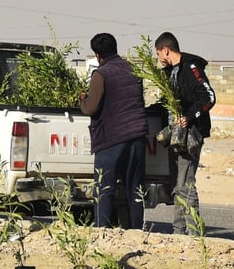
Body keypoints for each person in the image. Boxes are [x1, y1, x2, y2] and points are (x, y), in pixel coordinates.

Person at [78, 33, 148, 229]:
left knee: (104, 189)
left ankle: (102, 232)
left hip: (112, 139)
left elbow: (91, 108)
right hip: (137, 136)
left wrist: (82, 99)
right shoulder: (133, 69)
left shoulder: (101, 74)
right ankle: (136, 231)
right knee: (135, 189)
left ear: (98, 55)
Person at [154, 31, 215, 235]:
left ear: (166, 50)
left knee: (186, 182)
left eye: (158, 54)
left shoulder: (190, 67)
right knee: (179, 182)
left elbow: (208, 97)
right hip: (178, 135)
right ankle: (179, 231)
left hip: (191, 134)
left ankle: (194, 232)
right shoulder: (172, 71)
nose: (159, 59)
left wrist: (189, 117)